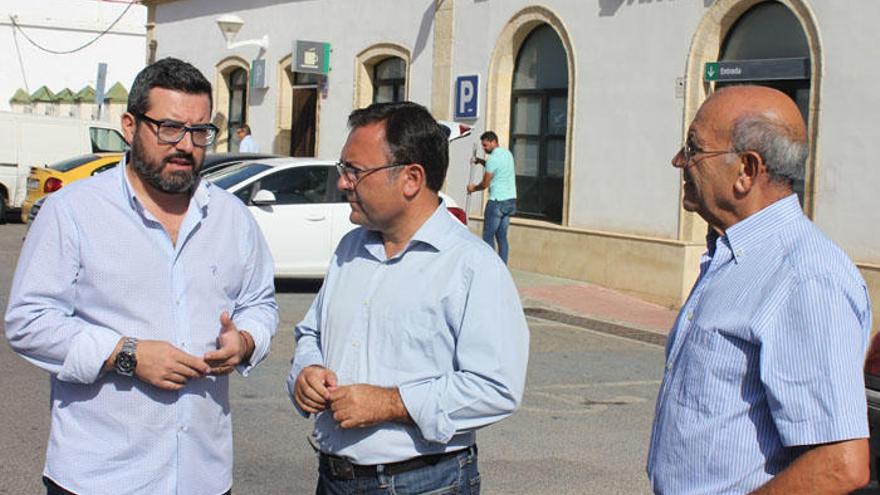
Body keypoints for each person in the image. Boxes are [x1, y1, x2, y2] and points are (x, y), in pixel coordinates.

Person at [5, 57, 279, 495]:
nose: (186, 145)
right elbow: (29, 322)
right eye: (169, 128)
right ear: (130, 126)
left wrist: (245, 341)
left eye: (200, 131)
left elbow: (259, 304)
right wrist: (125, 355)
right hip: (100, 478)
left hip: (203, 476)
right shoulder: (73, 211)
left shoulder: (232, 217)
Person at [288, 102, 529, 494]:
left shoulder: (471, 266)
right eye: (342, 169)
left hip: (421, 482)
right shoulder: (351, 247)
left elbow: (496, 387)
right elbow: (312, 332)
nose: (343, 183)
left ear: (412, 178)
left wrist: (391, 403)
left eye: (355, 171)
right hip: (334, 478)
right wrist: (307, 370)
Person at [647, 85, 872, 494]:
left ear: (746, 171)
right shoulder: (733, 254)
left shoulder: (803, 277)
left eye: (694, 149)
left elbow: (839, 463)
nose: (680, 161)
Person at [467, 131, 517, 264]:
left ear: (494, 142)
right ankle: (502, 268)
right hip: (510, 201)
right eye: (483, 146)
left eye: (485, 145)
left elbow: (484, 184)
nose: (484, 148)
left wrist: (473, 188)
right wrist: (479, 161)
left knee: (488, 236)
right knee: (502, 237)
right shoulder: (507, 154)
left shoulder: (492, 159)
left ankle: (491, 267)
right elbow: (496, 167)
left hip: (497, 202)